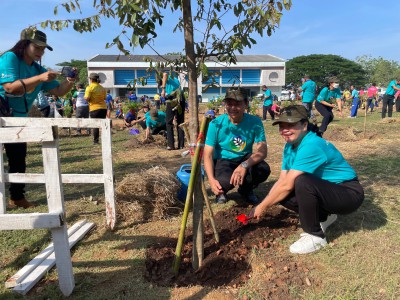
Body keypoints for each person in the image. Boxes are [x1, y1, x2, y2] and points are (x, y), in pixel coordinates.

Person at [253, 105, 364, 254]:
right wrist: (265, 202)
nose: (284, 129)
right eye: (281, 125)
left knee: (301, 182)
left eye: (290, 125)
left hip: (348, 193)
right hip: (328, 190)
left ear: (304, 125)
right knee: (282, 194)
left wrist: (262, 207)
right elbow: (282, 181)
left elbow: (287, 184)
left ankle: (315, 236)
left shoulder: (312, 144)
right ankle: (325, 217)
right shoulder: (290, 145)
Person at [0, 28, 77, 208]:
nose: (41, 52)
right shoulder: (10, 58)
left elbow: (58, 91)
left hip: (19, 118)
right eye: (37, 47)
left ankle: (17, 198)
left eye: (43, 49)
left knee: (18, 158)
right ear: (24, 44)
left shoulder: (37, 69)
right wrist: (40, 78)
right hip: (2, 113)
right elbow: (11, 88)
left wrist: (70, 81)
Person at [204, 88, 271, 205]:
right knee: (223, 183)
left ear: (246, 104)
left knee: (263, 170)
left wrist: (244, 165)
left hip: (244, 158)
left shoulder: (255, 122)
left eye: (237, 104)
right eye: (229, 104)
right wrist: (211, 180)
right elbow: (208, 154)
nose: (233, 108)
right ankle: (221, 192)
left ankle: (246, 189)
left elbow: (262, 151)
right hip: (223, 160)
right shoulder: (216, 124)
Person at [161, 72, 185, 150]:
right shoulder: (175, 80)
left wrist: (163, 89)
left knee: (168, 122)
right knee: (180, 122)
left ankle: (171, 145)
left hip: (172, 98)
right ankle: (181, 145)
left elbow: (164, 74)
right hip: (180, 97)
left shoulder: (167, 78)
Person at [84, 73, 107, 144]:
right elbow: (104, 98)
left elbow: (87, 98)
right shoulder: (102, 88)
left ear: (90, 79)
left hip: (94, 108)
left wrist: (87, 99)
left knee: (96, 125)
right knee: (103, 124)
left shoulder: (89, 87)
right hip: (103, 108)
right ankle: (105, 140)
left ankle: (96, 141)